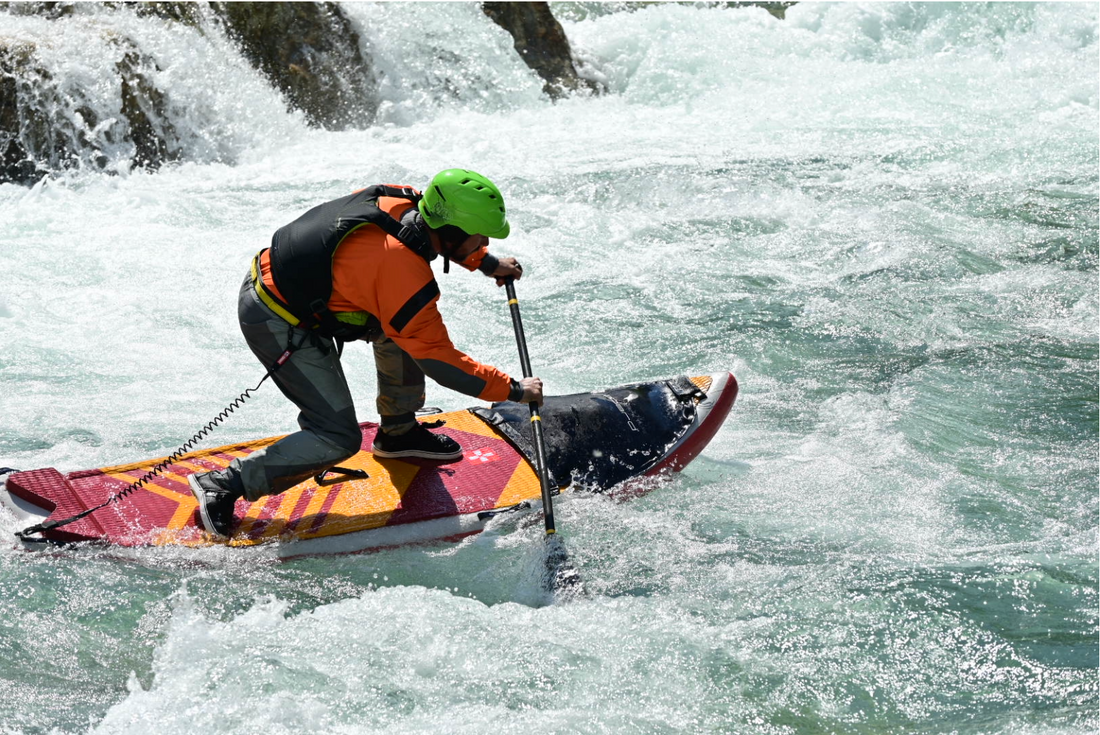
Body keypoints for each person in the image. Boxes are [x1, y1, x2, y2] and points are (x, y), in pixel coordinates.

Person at [188, 169, 543, 538]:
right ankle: (224, 484)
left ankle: (399, 433)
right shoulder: (401, 271)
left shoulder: (407, 201)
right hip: (277, 319)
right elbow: (442, 363)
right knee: (336, 437)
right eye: (479, 236)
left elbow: (433, 246)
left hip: (302, 293)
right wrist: (515, 391)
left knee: (403, 330)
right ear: (451, 233)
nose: (484, 239)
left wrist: (485, 262)